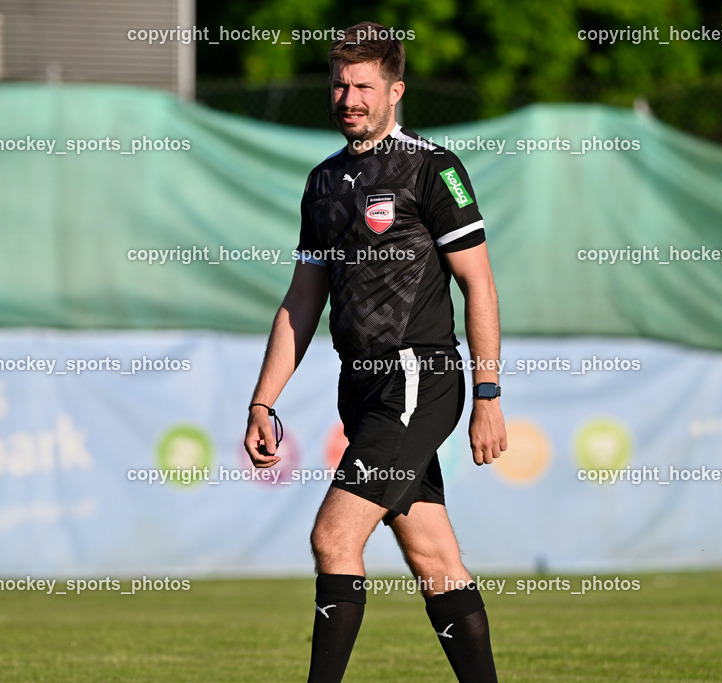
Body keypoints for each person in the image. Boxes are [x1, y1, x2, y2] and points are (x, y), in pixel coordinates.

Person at [244, 22, 507, 682]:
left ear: (395, 91)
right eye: (339, 83)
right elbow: (302, 300)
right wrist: (262, 399)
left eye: (363, 85)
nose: (348, 97)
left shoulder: (432, 169)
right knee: (435, 558)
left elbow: (478, 283)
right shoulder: (323, 183)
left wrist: (489, 394)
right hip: (359, 390)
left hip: (418, 377)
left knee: (333, 535)